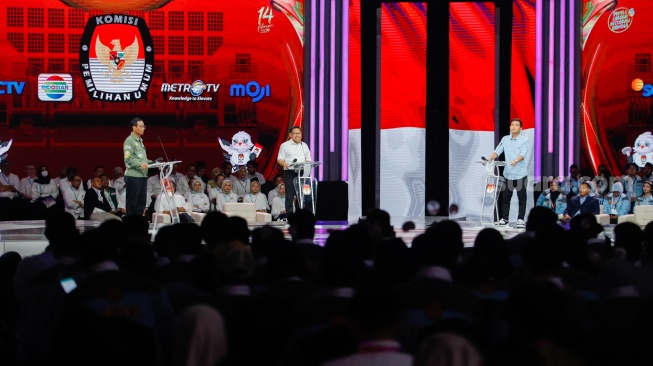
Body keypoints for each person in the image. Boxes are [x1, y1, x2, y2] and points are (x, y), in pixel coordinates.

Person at [487, 117, 529, 228]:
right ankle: (504, 219)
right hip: (508, 173)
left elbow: (523, 154)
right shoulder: (505, 139)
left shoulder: (524, 140)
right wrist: (490, 158)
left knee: (522, 198)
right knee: (505, 198)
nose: (513, 126)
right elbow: (498, 151)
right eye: (512, 125)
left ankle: (520, 219)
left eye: (516, 125)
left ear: (521, 128)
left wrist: (515, 160)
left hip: (520, 174)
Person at [123, 117, 156, 217]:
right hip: (133, 176)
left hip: (142, 176)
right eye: (141, 126)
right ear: (134, 127)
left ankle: (138, 225)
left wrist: (154, 163)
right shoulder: (130, 141)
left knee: (141, 204)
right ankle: (130, 226)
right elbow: (128, 159)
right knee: (132, 203)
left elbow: (143, 160)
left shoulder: (140, 141)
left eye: (144, 126)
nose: (143, 128)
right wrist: (141, 164)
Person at [277, 126, 312, 214]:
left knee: (303, 195)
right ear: (290, 135)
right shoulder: (284, 145)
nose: (297, 135)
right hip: (290, 172)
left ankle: (301, 215)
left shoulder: (304, 145)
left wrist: (307, 164)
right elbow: (280, 159)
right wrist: (284, 163)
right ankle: (290, 216)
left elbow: (308, 159)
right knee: (290, 194)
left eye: (299, 133)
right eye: (295, 133)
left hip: (303, 172)